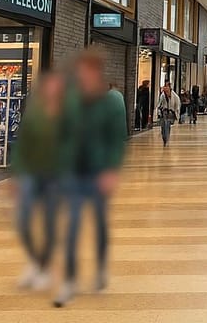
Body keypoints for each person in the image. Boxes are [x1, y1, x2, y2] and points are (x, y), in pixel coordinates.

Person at [56, 49, 127, 307]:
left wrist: (111, 170)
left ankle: (100, 267)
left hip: (98, 172)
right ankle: (69, 279)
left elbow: (117, 139)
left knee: (98, 224)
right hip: (74, 172)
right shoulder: (72, 100)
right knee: (72, 225)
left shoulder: (111, 102)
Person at [11, 71, 66, 291]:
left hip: (56, 177)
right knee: (23, 221)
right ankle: (35, 261)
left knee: (49, 224)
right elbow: (22, 144)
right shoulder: (34, 114)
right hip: (31, 173)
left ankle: (43, 266)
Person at [157, 83, 181, 147]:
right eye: (164, 87)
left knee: (167, 125)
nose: (165, 88)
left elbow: (177, 105)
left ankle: (167, 139)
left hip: (170, 113)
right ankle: (164, 138)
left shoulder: (175, 96)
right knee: (163, 127)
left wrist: (176, 113)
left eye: (167, 87)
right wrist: (159, 111)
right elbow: (159, 104)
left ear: (169, 88)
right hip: (163, 112)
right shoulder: (162, 95)